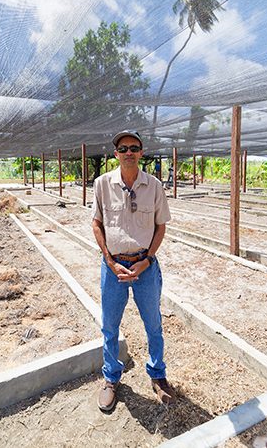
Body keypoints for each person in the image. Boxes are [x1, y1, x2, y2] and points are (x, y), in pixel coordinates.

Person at [91, 129, 173, 413]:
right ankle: (111, 378)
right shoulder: (102, 184)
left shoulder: (154, 186)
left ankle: (157, 375)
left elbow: (161, 226)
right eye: (123, 148)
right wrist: (111, 261)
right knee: (110, 326)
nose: (128, 152)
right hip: (112, 266)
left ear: (141, 153)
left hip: (144, 266)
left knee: (153, 324)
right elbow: (96, 224)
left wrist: (147, 260)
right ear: (116, 154)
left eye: (133, 148)